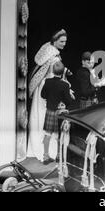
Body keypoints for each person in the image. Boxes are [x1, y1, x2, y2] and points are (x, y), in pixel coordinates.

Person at [27, 29, 74, 162]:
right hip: (49, 88)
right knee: (45, 117)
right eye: (62, 41)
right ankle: (48, 150)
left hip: (43, 86)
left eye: (65, 41)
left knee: (40, 116)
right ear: (55, 41)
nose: (64, 44)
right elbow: (55, 77)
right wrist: (67, 89)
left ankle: (39, 146)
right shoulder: (53, 57)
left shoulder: (47, 48)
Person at [40, 61, 73, 165]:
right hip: (60, 113)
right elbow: (68, 101)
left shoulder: (47, 81)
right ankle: (59, 156)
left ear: (52, 71)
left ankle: (45, 157)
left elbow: (43, 95)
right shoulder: (65, 85)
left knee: (47, 134)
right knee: (60, 135)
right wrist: (70, 96)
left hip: (50, 110)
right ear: (63, 71)